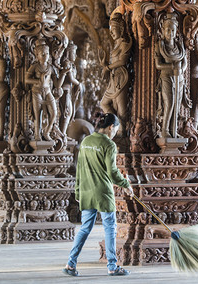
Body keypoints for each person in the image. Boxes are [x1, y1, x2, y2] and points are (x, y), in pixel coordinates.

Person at [63, 113, 133, 277]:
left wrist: (78, 191)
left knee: (85, 228)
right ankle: (112, 266)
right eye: (116, 128)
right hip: (102, 193)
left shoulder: (86, 141)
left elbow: (79, 168)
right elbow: (112, 171)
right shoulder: (109, 144)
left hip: (86, 191)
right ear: (110, 127)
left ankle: (70, 264)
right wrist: (125, 184)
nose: (115, 131)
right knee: (110, 228)